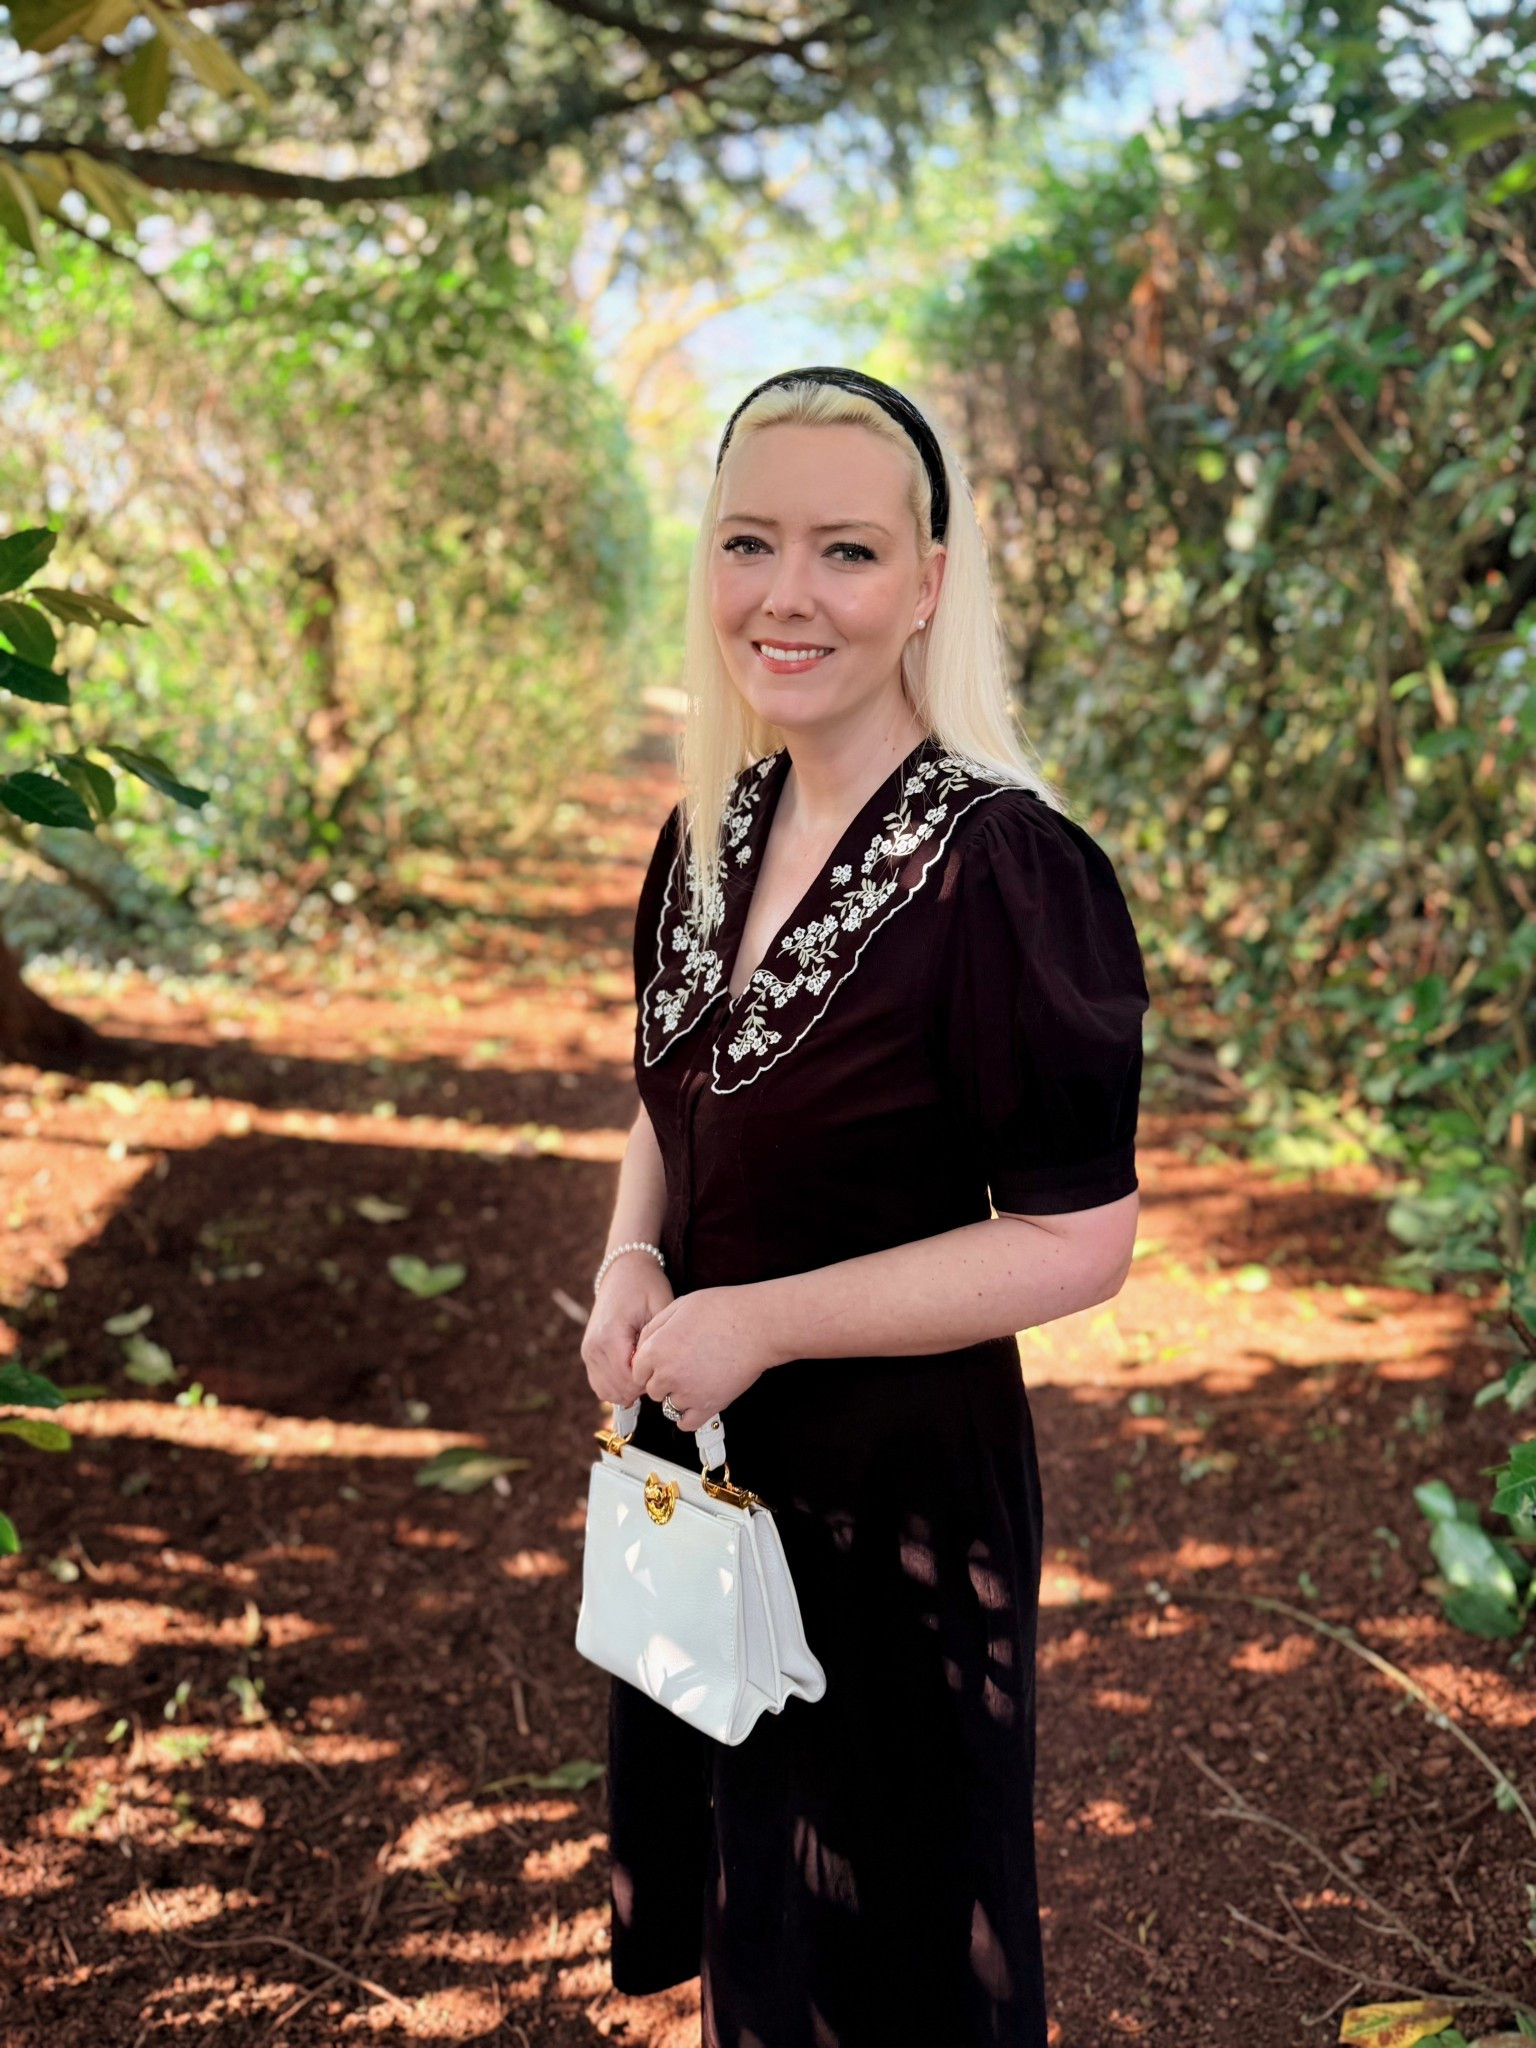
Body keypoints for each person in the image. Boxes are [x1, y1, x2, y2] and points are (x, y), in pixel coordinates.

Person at [579, 364, 1149, 2048]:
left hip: (902, 1506)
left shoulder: (1007, 869)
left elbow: (1080, 1240)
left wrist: (761, 1320)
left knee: (896, 1944)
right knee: (762, 1921)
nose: (789, 595)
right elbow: (676, 1100)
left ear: (926, 585)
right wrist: (632, 1251)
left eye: (846, 550)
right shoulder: (707, 839)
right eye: (751, 543)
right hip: (713, 1480)